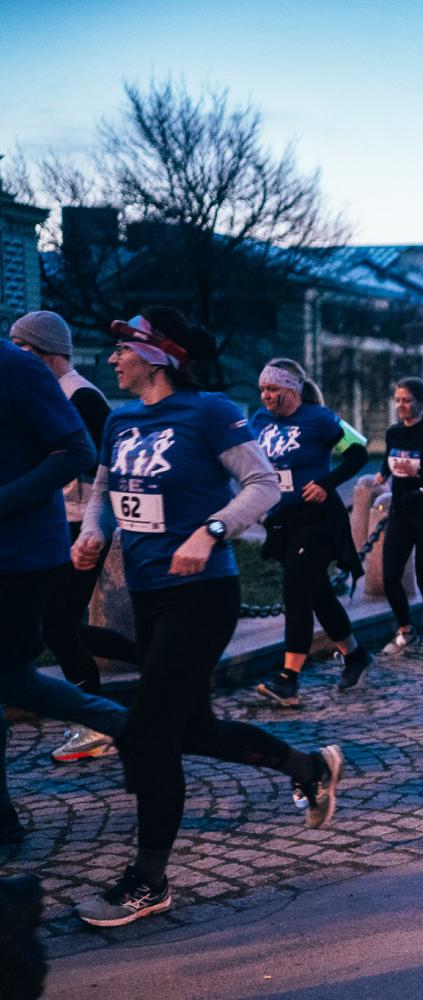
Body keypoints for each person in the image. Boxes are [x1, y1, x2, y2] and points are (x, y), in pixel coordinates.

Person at [72, 309, 339, 927]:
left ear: (158, 355)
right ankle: (308, 767)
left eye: (123, 348)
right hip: (149, 593)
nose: (112, 359)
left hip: (201, 593)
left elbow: (263, 484)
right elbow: (104, 493)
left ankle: (149, 880)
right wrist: (92, 532)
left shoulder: (210, 411)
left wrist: (213, 530)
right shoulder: (120, 419)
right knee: (192, 729)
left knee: (149, 731)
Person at [0, 339, 125, 845]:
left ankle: (129, 726)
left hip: (30, 549)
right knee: (23, 669)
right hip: (40, 539)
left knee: (32, 658)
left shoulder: (25, 371)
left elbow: (86, 454)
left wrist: (92, 524)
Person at [10, 311, 135, 761]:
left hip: (81, 523)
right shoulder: (52, 390)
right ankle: (151, 662)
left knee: (59, 626)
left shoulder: (80, 395)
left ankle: (97, 724)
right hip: (63, 522)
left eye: (22, 348)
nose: (16, 356)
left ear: (45, 351)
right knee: (61, 624)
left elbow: (108, 461)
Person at [250, 359, 372, 704]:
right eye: (262, 389)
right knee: (318, 594)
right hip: (282, 520)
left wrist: (325, 483)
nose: (266, 395)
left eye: (273, 388)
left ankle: (288, 680)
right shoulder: (260, 421)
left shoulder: (320, 419)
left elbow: (359, 453)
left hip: (317, 518)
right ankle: (355, 655)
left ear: (293, 390)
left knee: (296, 592)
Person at [373, 377, 423, 658]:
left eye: (407, 401)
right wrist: (382, 475)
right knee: (390, 576)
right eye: (398, 400)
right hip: (400, 513)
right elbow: (389, 459)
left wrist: (420, 479)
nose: (401, 406)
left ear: (420, 402)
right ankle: (406, 630)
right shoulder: (394, 432)